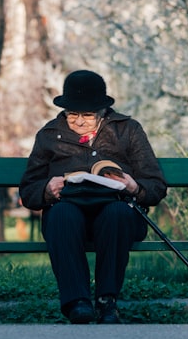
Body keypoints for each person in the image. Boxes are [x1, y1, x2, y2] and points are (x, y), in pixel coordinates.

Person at [19, 70, 167, 324]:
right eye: (72, 114)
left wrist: (133, 187)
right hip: (69, 212)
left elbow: (156, 186)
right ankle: (78, 302)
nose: (78, 121)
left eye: (87, 115)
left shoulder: (128, 130)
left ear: (101, 112)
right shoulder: (48, 135)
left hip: (115, 212)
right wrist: (46, 190)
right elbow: (28, 190)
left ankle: (107, 301)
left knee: (117, 214)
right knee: (62, 215)